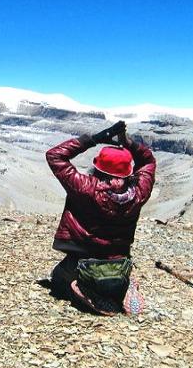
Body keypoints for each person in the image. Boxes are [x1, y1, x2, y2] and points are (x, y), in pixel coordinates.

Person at [45, 121, 156, 315]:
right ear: (128, 171)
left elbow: (54, 155)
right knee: (115, 269)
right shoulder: (138, 192)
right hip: (119, 257)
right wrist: (128, 143)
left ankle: (81, 286)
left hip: (84, 256)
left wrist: (94, 139)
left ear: (98, 167)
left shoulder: (85, 188)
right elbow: (148, 162)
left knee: (58, 277)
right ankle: (123, 285)